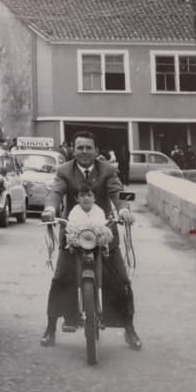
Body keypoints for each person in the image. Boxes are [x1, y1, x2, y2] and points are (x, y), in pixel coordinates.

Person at [40, 130, 141, 350]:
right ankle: (50, 329)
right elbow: (56, 192)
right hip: (74, 235)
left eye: (88, 148)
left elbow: (118, 193)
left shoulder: (108, 171)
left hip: (102, 233)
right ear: (73, 150)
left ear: (96, 150)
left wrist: (123, 211)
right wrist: (49, 209)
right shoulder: (65, 171)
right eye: (80, 148)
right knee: (60, 279)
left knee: (122, 281)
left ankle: (129, 329)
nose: (84, 152)